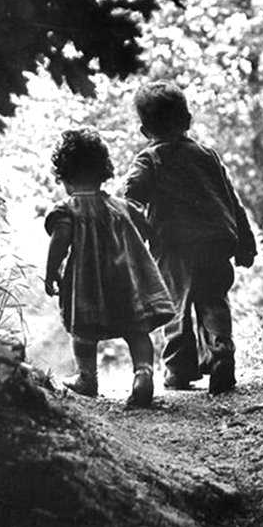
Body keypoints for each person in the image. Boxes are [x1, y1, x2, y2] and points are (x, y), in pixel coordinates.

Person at [122, 81, 257, 395]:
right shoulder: (207, 155)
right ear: (188, 120)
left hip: (174, 246)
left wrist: (141, 229)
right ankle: (222, 353)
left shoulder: (149, 159)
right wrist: (245, 241)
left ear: (145, 131)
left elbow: (131, 196)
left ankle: (180, 370)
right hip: (216, 242)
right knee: (214, 301)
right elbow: (231, 199)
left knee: (176, 307)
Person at [44, 128, 174, 406]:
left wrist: (51, 271)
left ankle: (87, 378)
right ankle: (143, 374)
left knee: (82, 333)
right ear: (103, 172)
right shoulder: (121, 207)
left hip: (87, 286)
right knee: (137, 331)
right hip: (126, 282)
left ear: (64, 178)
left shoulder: (68, 209)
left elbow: (60, 240)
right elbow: (145, 228)